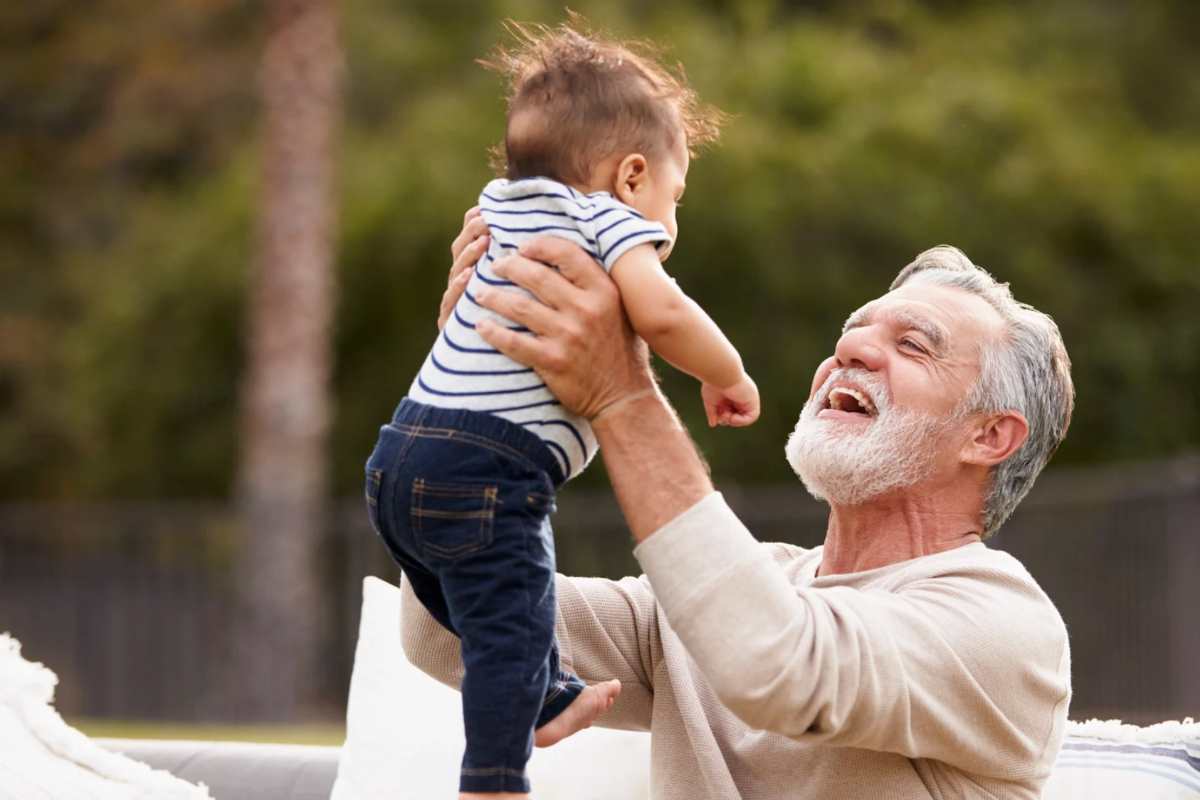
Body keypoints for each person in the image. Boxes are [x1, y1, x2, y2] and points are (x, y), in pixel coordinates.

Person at [404, 238, 1076, 800]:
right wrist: (473, 389)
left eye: (913, 345)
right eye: (850, 336)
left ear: (988, 437)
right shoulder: (741, 593)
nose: (852, 353)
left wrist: (620, 389)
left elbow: (778, 665)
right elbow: (446, 633)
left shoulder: (1005, 622)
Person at [363, 21, 758, 799]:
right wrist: (728, 374)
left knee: (489, 607)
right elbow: (665, 314)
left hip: (398, 457)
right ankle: (495, 777)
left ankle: (546, 691)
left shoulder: (500, 205)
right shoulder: (607, 218)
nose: (670, 223)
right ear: (633, 175)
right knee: (509, 619)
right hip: (488, 467)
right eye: (675, 199)